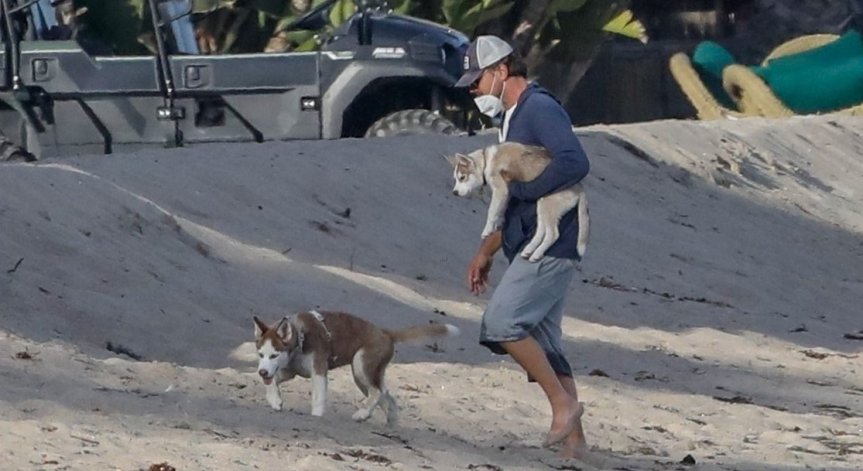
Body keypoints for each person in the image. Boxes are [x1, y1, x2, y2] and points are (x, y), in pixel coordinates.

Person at [454, 35, 591, 459]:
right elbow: (510, 193)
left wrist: (531, 195)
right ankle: (576, 448)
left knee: (502, 323)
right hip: (531, 244)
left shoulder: (539, 107)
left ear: (501, 72)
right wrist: (487, 250)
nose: (473, 91)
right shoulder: (512, 118)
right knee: (546, 344)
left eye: (477, 81)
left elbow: (574, 161)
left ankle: (563, 407)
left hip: (550, 246)